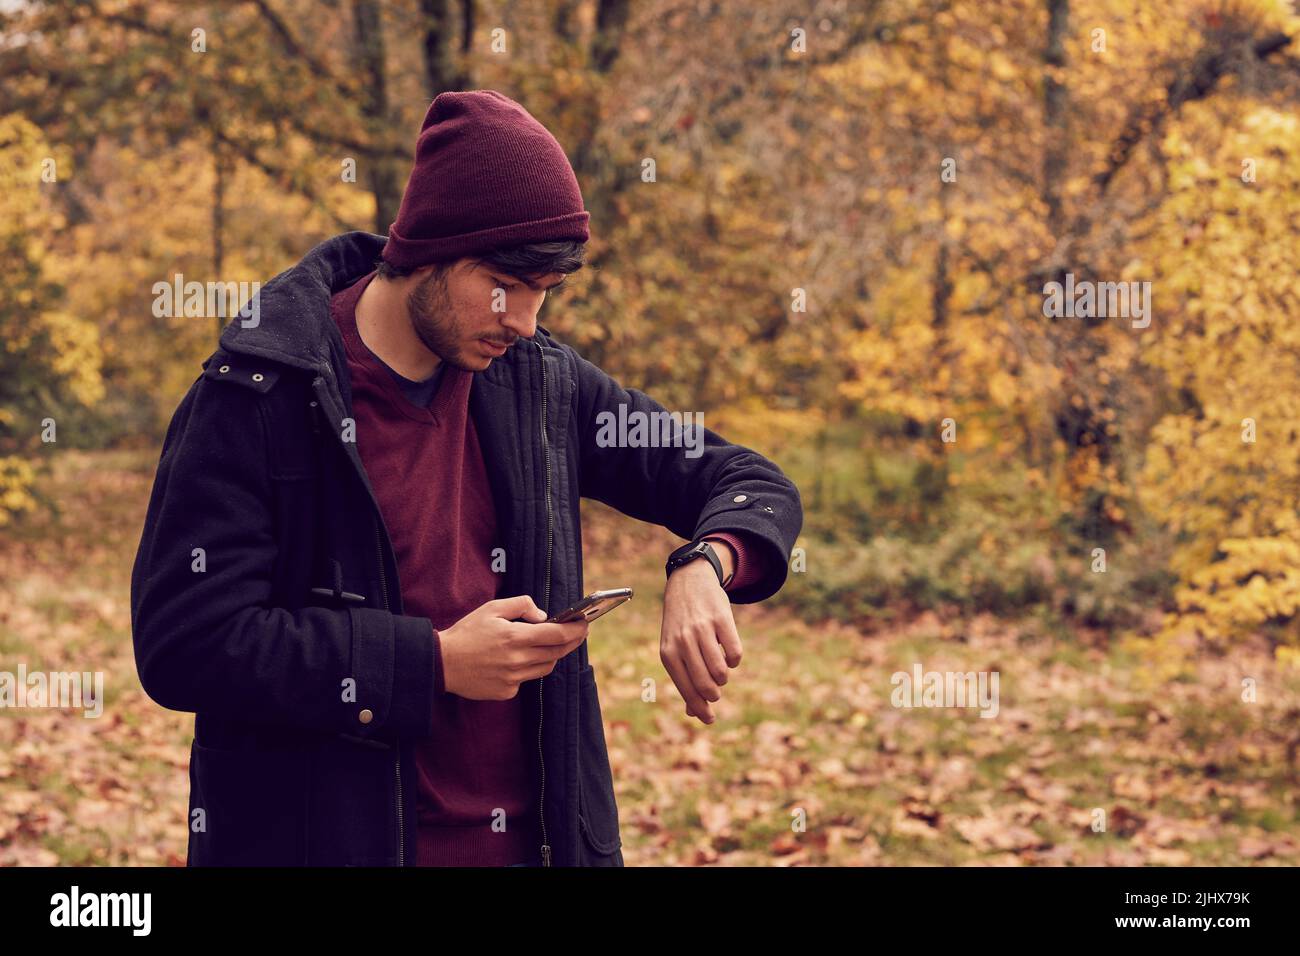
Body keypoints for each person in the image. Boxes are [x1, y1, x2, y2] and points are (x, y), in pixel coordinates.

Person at [130, 90, 803, 867]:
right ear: (429, 246)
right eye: (505, 284)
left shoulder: (539, 384)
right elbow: (187, 644)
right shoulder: (258, 395)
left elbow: (747, 478)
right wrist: (434, 663)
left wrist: (704, 563)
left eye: (544, 292)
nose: (523, 319)